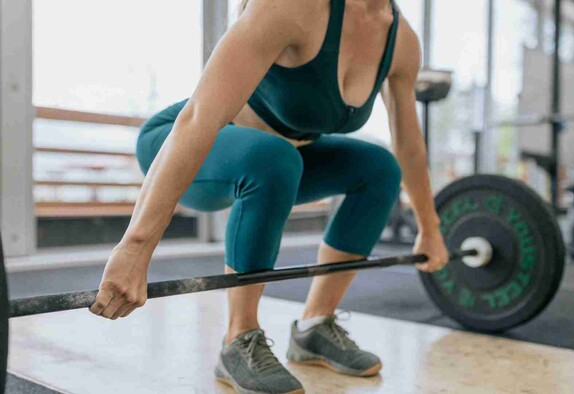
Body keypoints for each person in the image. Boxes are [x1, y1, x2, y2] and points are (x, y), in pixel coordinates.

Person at [90, 0, 448, 392]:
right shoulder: (294, 6)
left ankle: (315, 326)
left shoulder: (400, 39)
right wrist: (135, 248)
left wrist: (430, 227)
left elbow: (409, 145)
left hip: (281, 160)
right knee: (274, 158)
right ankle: (238, 339)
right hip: (190, 147)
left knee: (378, 169)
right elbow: (198, 118)